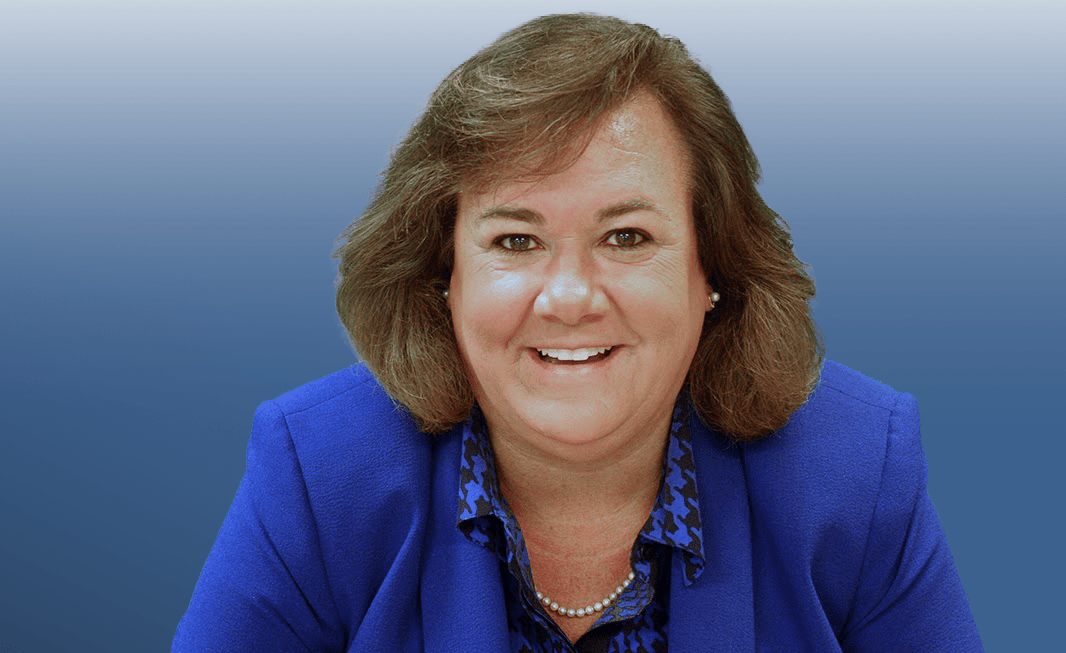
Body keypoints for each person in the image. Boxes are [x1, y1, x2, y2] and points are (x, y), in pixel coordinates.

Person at [174, 13, 983, 652]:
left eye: (626, 237)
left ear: (713, 271)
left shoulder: (855, 473)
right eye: (515, 241)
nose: (568, 296)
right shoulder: (320, 474)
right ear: (443, 276)